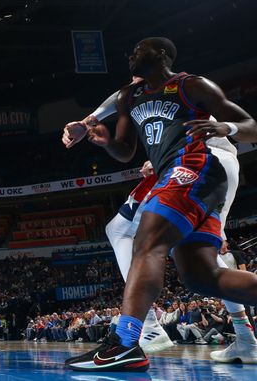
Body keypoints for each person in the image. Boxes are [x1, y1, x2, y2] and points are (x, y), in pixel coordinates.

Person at [65, 37, 257, 372]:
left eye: (141, 49)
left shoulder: (191, 85)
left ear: (163, 55)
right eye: (131, 51)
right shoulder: (130, 97)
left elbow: (251, 126)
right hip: (181, 175)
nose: (132, 54)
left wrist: (225, 126)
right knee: (200, 276)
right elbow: (125, 150)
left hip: (198, 167)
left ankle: (126, 342)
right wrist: (105, 142)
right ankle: (240, 337)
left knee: (147, 239)